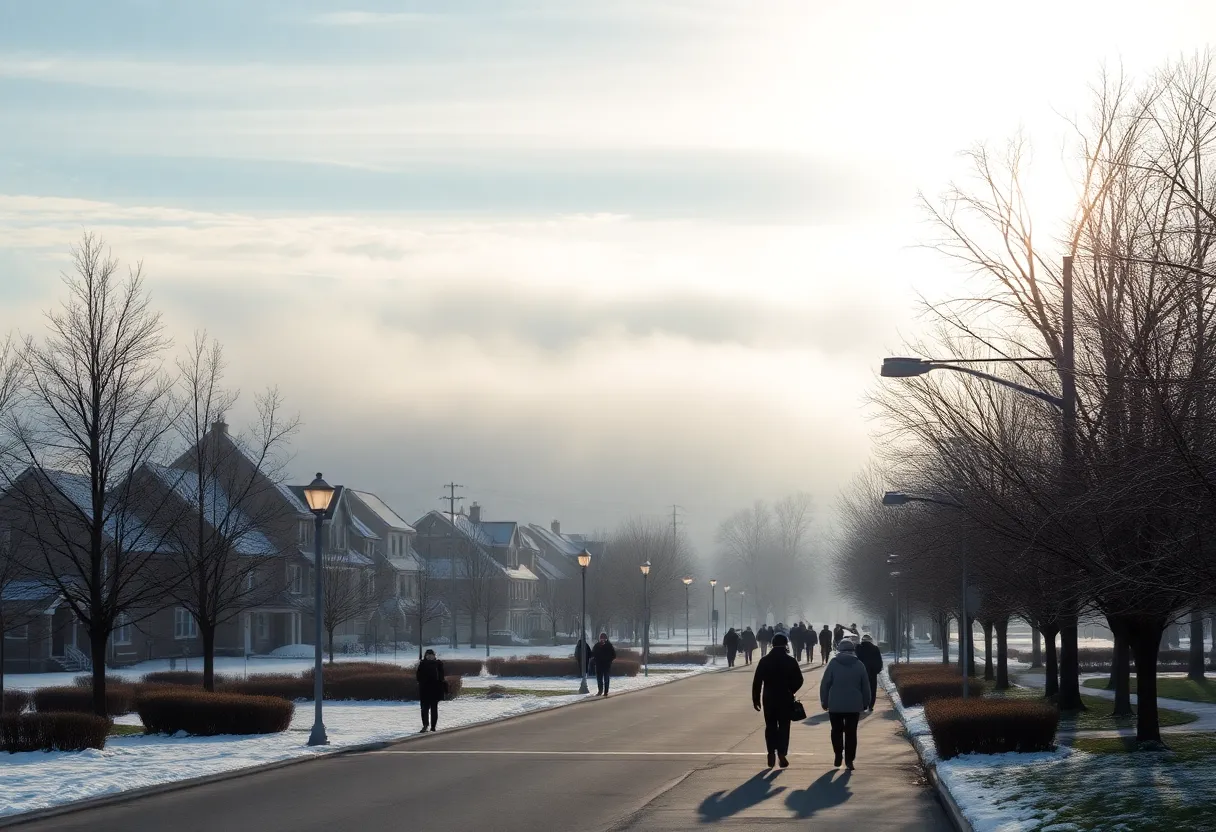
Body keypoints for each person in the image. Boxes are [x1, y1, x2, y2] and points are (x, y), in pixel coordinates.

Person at [751, 632, 804, 769]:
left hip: (768, 697)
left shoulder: (765, 660)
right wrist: (791, 689)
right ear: (786, 644)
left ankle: (770, 752)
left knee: (770, 726)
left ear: (772, 644)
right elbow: (799, 679)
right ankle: (782, 752)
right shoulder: (790, 661)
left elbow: (757, 681)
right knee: (784, 727)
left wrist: (756, 699)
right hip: (785, 698)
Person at [819, 638, 870, 770]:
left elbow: (825, 684)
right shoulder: (859, 665)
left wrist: (824, 700)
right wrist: (866, 702)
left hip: (835, 704)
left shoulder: (833, 664)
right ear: (853, 650)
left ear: (839, 650)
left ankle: (837, 754)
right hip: (854, 705)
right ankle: (849, 759)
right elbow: (865, 686)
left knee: (836, 730)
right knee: (851, 732)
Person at [415, 648, 446, 732]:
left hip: (435, 689)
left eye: (431, 655)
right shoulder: (422, 664)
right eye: (428, 655)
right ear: (426, 656)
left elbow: (442, 676)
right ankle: (425, 725)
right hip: (425, 689)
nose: (430, 657)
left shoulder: (438, 664)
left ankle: (433, 726)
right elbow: (418, 676)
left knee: (434, 709)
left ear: (434, 656)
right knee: (424, 708)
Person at [855, 634, 884, 711]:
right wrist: (877, 670)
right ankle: (871, 705)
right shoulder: (875, 649)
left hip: (860, 673)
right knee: (872, 689)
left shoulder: (858, 648)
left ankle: (863, 705)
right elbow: (879, 661)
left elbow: (855, 659)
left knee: (861, 688)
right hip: (872, 673)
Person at [591, 632, 616, 696]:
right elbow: (593, 654)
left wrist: (609, 660)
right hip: (599, 665)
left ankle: (606, 691)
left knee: (606, 679)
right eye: (601, 638)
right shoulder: (597, 645)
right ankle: (600, 691)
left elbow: (614, 655)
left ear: (606, 639)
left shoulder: (609, 645)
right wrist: (594, 660)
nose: (602, 640)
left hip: (606, 665)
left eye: (604, 638)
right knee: (599, 679)